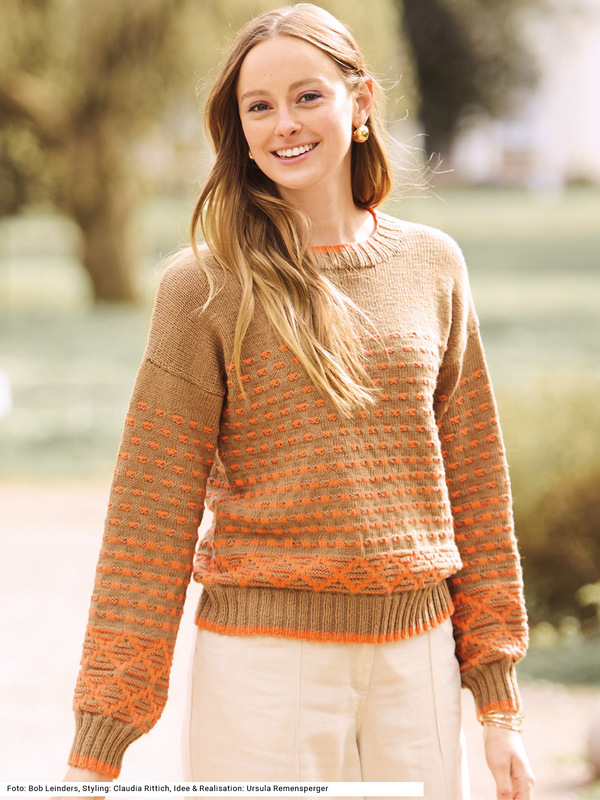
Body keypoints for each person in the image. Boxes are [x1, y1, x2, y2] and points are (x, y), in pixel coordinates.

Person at [62, 4, 535, 798]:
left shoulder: (434, 265)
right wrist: (97, 746)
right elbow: (151, 511)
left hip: (416, 666)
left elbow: (477, 481)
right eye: (259, 106)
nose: (284, 123)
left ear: (361, 101)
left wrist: (499, 702)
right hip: (264, 674)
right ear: (240, 131)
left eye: (307, 96)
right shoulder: (202, 286)